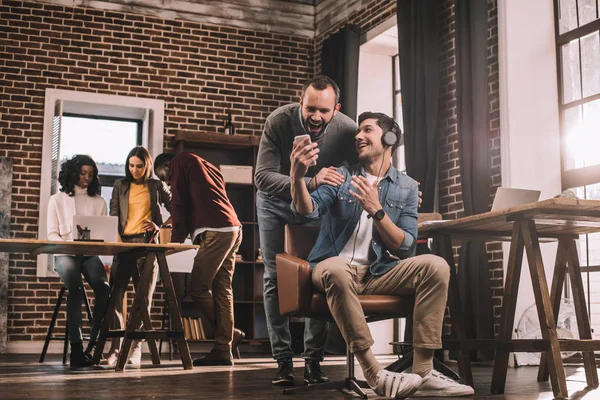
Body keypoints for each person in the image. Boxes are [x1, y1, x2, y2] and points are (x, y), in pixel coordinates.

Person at [289, 112, 474, 398]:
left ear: (389, 139)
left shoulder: (407, 187)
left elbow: (405, 247)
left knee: (436, 265)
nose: (358, 136)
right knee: (337, 268)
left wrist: (377, 211)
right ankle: (374, 373)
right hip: (333, 267)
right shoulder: (342, 175)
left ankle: (423, 371)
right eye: (357, 132)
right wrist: (297, 177)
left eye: (367, 130)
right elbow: (307, 210)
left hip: (378, 272)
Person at [255, 75, 359, 386]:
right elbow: (262, 178)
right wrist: (307, 180)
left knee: (318, 273)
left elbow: (364, 168)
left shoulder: (347, 130)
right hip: (274, 204)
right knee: (275, 275)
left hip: (317, 205)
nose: (315, 117)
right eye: (309, 108)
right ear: (300, 102)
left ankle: (314, 360)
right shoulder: (278, 122)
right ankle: (283, 360)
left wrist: (401, 183)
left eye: (324, 111)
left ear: (335, 109)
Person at [154, 152, 245, 366]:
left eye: (165, 177)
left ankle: (228, 335)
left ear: (168, 165)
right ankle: (223, 349)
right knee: (223, 289)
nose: (167, 182)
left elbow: (178, 205)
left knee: (197, 288)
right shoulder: (203, 165)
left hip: (216, 231)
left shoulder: (179, 163)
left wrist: (175, 240)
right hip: (233, 227)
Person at [104, 146, 171, 366]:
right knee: (115, 296)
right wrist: (117, 244)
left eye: (139, 166)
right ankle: (115, 348)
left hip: (147, 244)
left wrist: (161, 227)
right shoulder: (119, 185)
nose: (135, 170)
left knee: (143, 299)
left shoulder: (156, 185)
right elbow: (113, 215)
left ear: (147, 165)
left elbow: (178, 208)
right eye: (131, 165)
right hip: (124, 245)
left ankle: (136, 348)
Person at [46, 155, 111, 368]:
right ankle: (76, 349)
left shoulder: (99, 202)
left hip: (89, 254)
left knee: (103, 288)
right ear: (73, 172)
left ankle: (93, 347)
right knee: (76, 288)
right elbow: (51, 235)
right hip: (64, 252)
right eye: (83, 173)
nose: (87, 178)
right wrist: (70, 243)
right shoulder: (56, 199)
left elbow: (102, 235)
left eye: (91, 174)